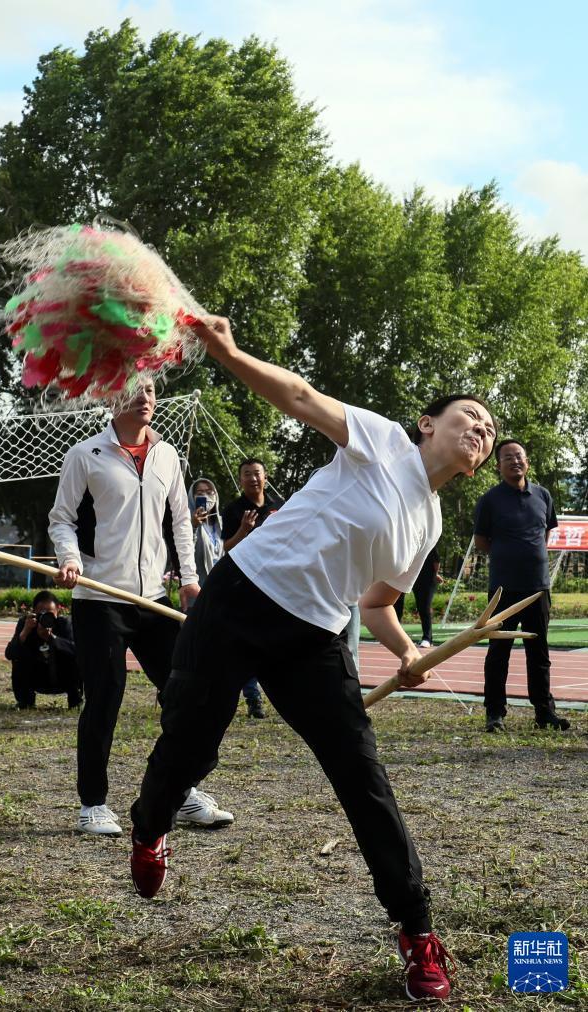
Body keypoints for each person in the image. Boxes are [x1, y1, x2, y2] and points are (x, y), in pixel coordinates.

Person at [128, 316, 498, 1002]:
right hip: (240, 598)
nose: (479, 428)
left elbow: (378, 602)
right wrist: (229, 351)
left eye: (486, 427)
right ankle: (149, 826)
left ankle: (415, 931)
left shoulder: (430, 523)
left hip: (314, 638)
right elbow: (298, 396)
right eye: (467, 415)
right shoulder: (381, 440)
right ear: (426, 423)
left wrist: (409, 651)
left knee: (363, 779)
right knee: (188, 746)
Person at [49, 378, 234, 836]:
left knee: (186, 694)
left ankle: (183, 793)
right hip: (97, 600)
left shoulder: (168, 456)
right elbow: (62, 520)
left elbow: (181, 524)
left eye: (151, 390)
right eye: (135, 390)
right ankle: (93, 804)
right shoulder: (85, 456)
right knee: (105, 699)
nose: (146, 398)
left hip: (152, 599)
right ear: (114, 398)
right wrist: (70, 560)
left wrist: (189, 580)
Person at [474, 439, 570, 733]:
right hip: (503, 589)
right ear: (498, 466)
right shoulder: (489, 500)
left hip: (538, 588)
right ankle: (495, 714)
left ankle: (544, 713)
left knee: (538, 652)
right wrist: (509, 558)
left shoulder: (543, 495)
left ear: (527, 461)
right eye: (508, 458)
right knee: (498, 652)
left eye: (519, 456)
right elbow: (482, 542)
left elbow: (546, 533)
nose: (515, 461)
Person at [221, 459, 285, 718]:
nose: (253, 478)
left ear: (265, 477)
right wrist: (244, 530)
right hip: (246, 582)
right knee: (246, 642)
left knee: (276, 642)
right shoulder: (234, 510)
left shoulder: (279, 506)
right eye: (247, 475)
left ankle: (284, 697)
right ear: (240, 480)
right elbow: (227, 548)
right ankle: (253, 698)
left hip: (278, 583)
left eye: (257, 473)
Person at [4, 590, 82, 709]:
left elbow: (78, 652)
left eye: (50, 614)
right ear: (34, 612)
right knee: (19, 658)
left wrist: (53, 639)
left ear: (58, 612)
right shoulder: (26, 624)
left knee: (76, 659)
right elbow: (10, 654)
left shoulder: (65, 624)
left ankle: (75, 700)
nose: (46, 618)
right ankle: (25, 701)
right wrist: (24, 633)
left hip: (62, 676)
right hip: (36, 676)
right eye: (42, 614)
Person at [393, 546, 443, 647]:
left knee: (424, 607)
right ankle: (393, 636)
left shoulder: (428, 539)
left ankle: (427, 638)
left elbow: (436, 561)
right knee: (396, 603)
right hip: (405, 575)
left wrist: (435, 574)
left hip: (425, 577)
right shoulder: (405, 541)